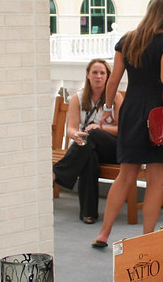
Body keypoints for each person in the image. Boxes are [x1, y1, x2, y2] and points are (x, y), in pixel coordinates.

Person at [92, 0, 163, 248]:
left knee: (125, 176)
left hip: (133, 109)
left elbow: (114, 80)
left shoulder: (129, 39)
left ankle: (103, 233)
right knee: (155, 180)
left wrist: (108, 108)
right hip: (159, 113)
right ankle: (147, 239)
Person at [52, 59, 122, 224]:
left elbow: (122, 130)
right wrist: (75, 134)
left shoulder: (115, 97)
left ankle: (57, 173)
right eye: (95, 73)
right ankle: (88, 213)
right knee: (88, 155)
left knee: (93, 134)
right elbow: (70, 128)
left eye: (102, 73)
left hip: (112, 148)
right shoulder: (78, 98)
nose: (98, 76)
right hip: (87, 146)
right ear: (88, 75)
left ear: (107, 76)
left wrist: (99, 128)